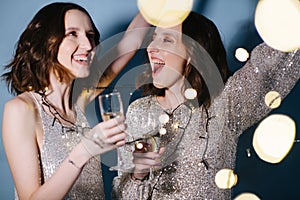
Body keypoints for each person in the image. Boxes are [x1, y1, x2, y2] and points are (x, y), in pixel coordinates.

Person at [112, 11, 300, 199]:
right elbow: (121, 195)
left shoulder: (225, 104)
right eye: (153, 39)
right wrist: (138, 175)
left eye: (167, 40)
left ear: (193, 52)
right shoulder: (139, 111)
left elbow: (274, 58)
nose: (151, 47)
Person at [1, 2, 149, 199]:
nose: (88, 46)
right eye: (72, 34)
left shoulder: (81, 98)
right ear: (47, 41)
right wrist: (84, 152)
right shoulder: (21, 109)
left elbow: (131, 41)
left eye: (90, 36)